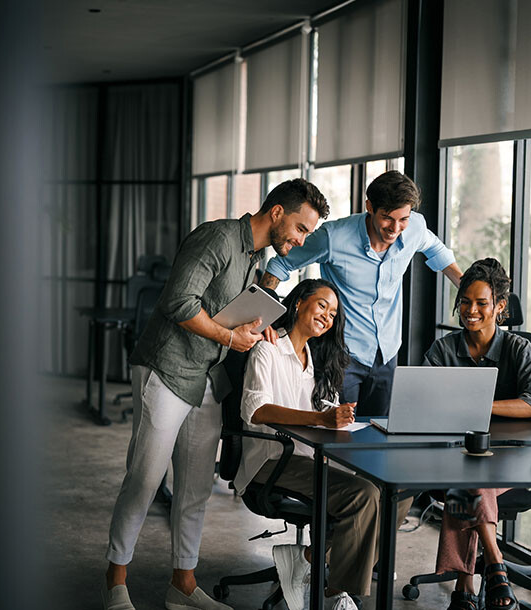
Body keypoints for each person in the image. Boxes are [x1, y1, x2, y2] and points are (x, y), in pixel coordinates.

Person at [102, 179, 330, 610]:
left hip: (208, 377)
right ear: (277, 213)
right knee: (145, 478)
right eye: (301, 229)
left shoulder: (255, 257)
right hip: (166, 369)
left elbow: (231, 311)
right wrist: (230, 334)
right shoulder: (218, 237)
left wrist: (253, 328)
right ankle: (114, 580)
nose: (301, 241)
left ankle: (182, 587)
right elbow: (179, 303)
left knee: (195, 489)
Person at [234, 279, 412, 610]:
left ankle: (309, 558)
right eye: (322, 306)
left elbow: (325, 415)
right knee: (364, 495)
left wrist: (339, 419)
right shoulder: (267, 349)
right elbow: (255, 410)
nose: (327, 316)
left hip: (315, 456)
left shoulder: (318, 359)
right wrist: (320, 420)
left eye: (333, 313)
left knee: (397, 489)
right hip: (274, 460)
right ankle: (335, 592)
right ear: (299, 303)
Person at [260, 170, 463, 416]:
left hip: (387, 353)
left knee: (379, 435)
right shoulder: (334, 237)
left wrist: (466, 288)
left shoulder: (415, 227)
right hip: (342, 354)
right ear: (369, 206)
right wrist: (264, 316)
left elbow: (437, 251)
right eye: (387, 218)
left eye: (403, 219)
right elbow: (280, 264)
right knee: (338, 434)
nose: (395, 228)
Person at [423, 258, 531, 610]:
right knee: (469, 479)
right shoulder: (443, 350)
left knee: (468, 484)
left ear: (500, 307)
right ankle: (494, 568)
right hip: (454, 457)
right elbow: (425, 402)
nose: (471, 311)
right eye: (465, 302)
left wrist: (481, 404)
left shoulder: (519, 349)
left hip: (514, 461)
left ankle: (465, 586)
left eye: (481, 303)